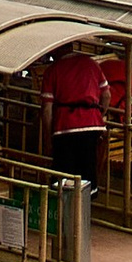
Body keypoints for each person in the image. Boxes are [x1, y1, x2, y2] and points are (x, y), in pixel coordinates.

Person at [43, 45, 110, 186]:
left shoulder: (52, 70)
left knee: (64, 175)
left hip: (64, 127)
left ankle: (66, 205)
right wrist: (99, 113)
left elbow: (47, 110)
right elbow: (106, 95)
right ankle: (86, 204)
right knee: (87, 170)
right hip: (91, 124)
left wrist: (48, 138)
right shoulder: (92, 64)